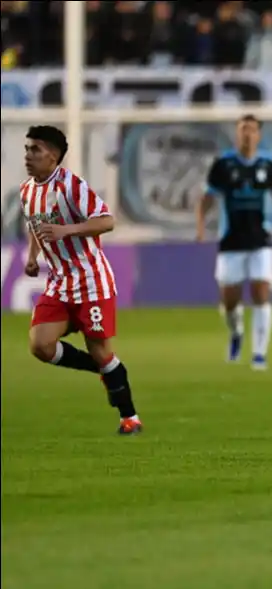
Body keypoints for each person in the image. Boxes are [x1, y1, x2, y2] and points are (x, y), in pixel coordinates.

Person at [21, 125, 142, 435]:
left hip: (91, 281)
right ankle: (101, 369)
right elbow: (38, 225)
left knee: (103, 351)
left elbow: (107, 220)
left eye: (35, 149)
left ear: (53, 154)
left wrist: (68, 230)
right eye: (27, 149)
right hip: (60, 283)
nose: (28, 155)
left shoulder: (71, 186)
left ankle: (129, 417)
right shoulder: (27, 191)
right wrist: (33, 256)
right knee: (40, 345)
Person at [196, 115, 272, 369]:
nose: (247, 134)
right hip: (230, 240)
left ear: (258, 135)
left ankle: (260, 354)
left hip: (260, 238)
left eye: (251, 130)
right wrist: (200, 226)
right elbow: (207, 198)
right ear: (237, 134)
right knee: (230, 301)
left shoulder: (268, 165)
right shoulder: (223, 164)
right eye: (242, 130)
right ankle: (236, 332)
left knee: (261, 292)